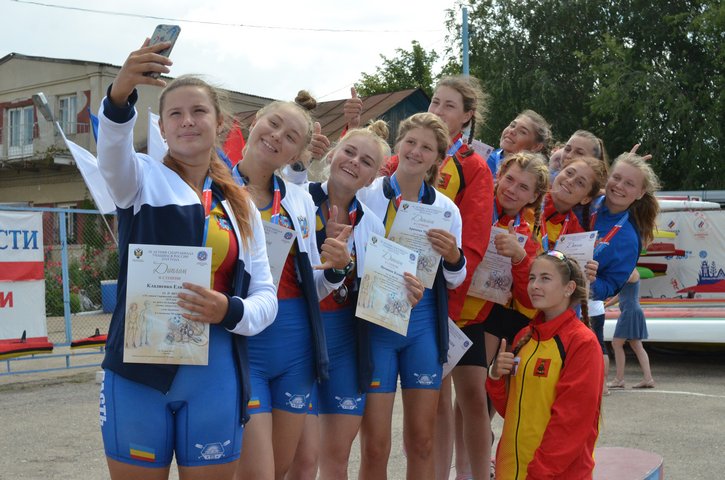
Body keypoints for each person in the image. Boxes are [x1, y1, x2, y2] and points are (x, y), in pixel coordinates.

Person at [97, 40, 278, 480]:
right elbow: (112, 152)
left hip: (215, 372)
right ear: (162, 128)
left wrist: (228, 309)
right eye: (175, 114)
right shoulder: (139, 180)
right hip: (138, 373)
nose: (187, 121)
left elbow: (265, 296)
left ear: (220, 123)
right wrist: (119, 95)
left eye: (199, 111)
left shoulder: (241, 205)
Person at [231, 100, 351, 480]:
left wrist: (336, 269)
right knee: (257, 473)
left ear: (297, 154)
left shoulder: (299, 200)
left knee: (280, 469)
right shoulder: (214, 189)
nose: (277, 136)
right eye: (274, 123)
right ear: (255, 121)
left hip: (295, 350)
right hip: (242, 345)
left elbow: (313, 285)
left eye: (291, 136)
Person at [356, 112, 466, 480]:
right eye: (411, 142)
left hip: (421, 326)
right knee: (375, 445)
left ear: (438, 159)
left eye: (427, 148)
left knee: (422, 441)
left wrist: (453, 256)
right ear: (398, 144)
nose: (416, 152)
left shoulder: (446, 209)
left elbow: (455, 279)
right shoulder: (368, 193)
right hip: (377, 323)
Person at [487, 251, 603, 479]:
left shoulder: (582, 342)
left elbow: (571, 422)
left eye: (545, 278)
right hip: (511, 470)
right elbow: (511, 411)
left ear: (569, 288)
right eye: (532, 278)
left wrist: (539, 473)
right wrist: (496, 376)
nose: (534, 285)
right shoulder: (524, 337)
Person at [589, 152, 661, 395]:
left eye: (629, 183)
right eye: (617, 177)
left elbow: (611, 286)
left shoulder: (628, 238)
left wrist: (590, 282)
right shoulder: (585, 202)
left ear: (640, 193)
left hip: (575, 310)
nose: (619, 186)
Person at [606, 268, 656, 389]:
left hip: (630, 312)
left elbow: (619, 281)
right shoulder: (628, 270)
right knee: (636, 345)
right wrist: (606, 305)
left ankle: (619, 379)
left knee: (616, 343)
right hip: (631, 311)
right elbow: (620, 294)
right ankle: (648, 379)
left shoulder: (632, 272)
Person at [485, 110, 552, 179]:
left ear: (536, 146)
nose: (512, 131)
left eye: (522, 132)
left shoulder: (532, 178)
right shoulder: (486, 157)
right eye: (512, 125)